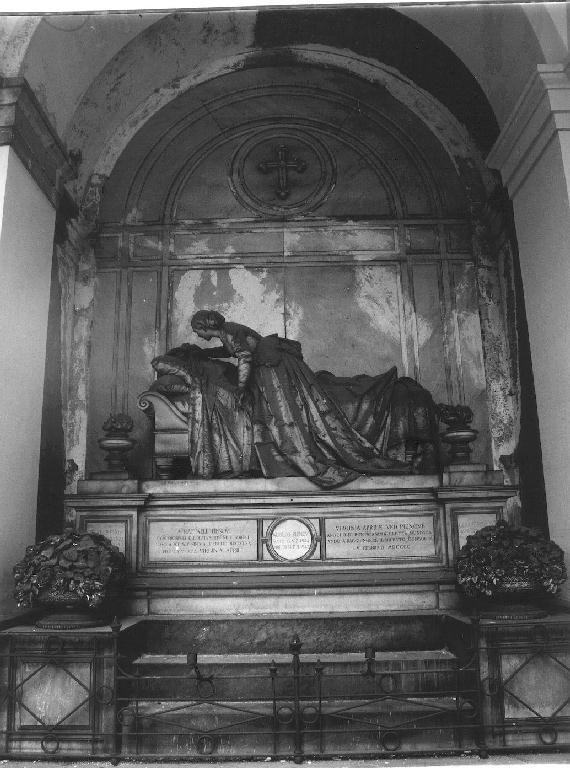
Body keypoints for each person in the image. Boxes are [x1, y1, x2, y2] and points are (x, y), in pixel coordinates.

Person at [190, 310, 438, 489]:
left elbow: (243, 357)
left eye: (197, 331)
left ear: (204, 326)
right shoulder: (228, 331)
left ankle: (304, 456)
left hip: (273, 369)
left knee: (284, 415)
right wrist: (204, 354)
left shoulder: (230, 331)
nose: (197, 335)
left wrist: (242, 388)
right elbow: (230, 351)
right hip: (273, 365)